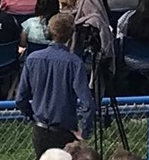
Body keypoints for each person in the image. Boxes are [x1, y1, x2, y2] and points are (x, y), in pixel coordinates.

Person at [16, 13, 93, 157]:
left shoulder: (33, 59)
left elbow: (20, 98)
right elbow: (87, 103)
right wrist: (85, 132)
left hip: (41, 130)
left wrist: (32, 116)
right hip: (64, 131)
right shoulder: (74, 63)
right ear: (70, 35)